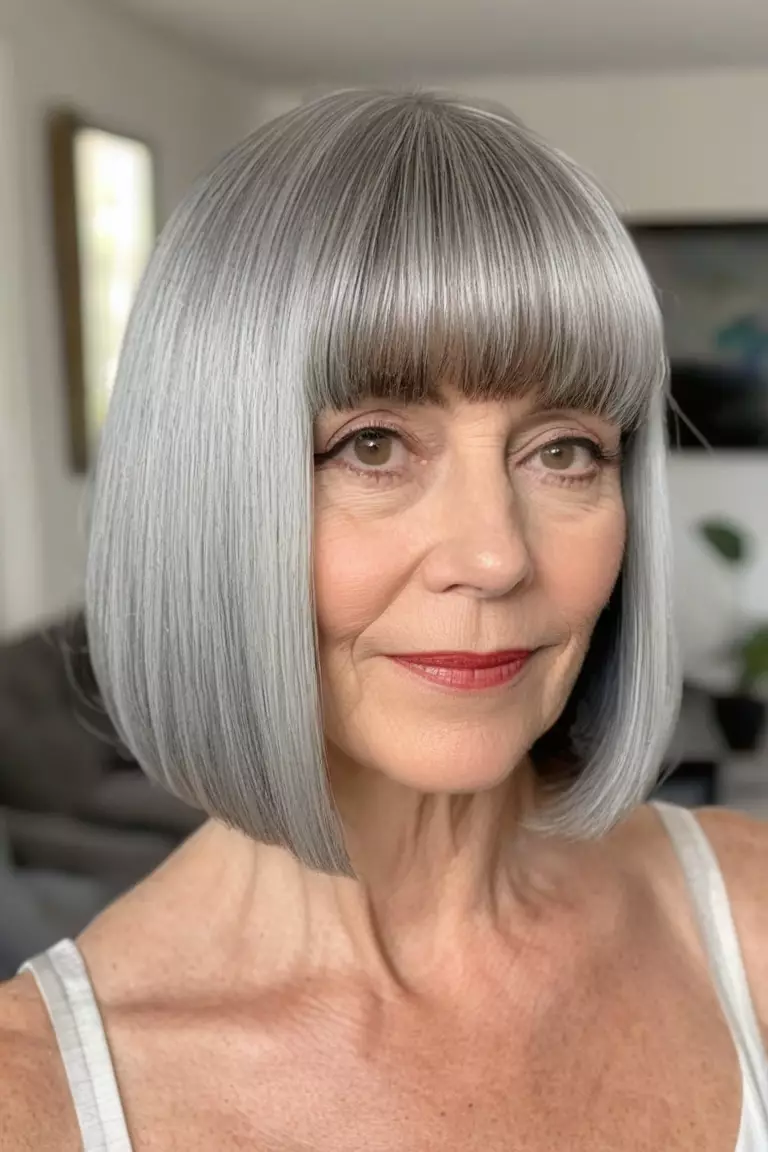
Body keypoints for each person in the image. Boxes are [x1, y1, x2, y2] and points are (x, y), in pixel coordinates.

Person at [1, 89, 766, 1151]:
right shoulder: (40, 1104)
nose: (496, 554)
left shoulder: (748, 919)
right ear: (204, 499)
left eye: (564, 450)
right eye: (372, 445)